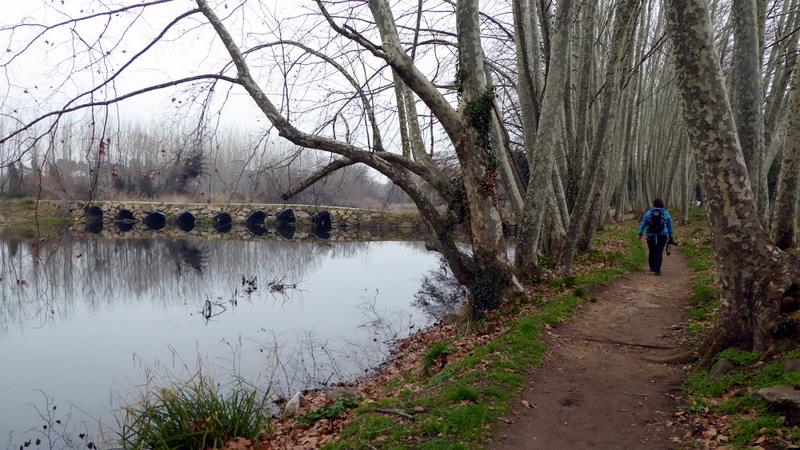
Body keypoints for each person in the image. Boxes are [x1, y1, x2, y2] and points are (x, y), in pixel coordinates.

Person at [637, 198, 674, 276]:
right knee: (659, 252)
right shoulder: (666, 213)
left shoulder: (649, 213)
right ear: (662, 204)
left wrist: (640, 234)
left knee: (652, 251)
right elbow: (669, 226)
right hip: (662, 235)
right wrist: (671, 236)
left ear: (654, 205)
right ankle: (657, 270)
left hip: (651, 235)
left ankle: (652, 267)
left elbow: (643, 224)